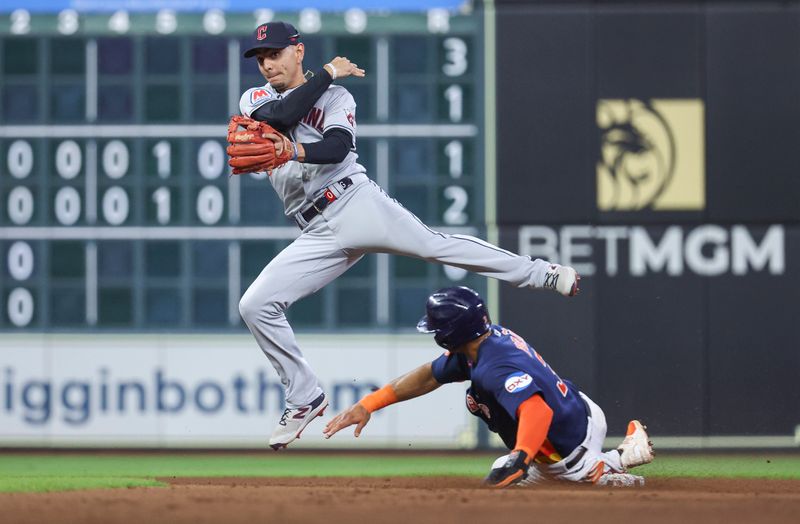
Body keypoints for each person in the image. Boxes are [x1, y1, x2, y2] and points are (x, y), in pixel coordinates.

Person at [234, 22, 581, 450]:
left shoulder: (338, 96)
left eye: (275, 53)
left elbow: (338, 147)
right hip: (315, 231)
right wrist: (327, 71)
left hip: (353, 202)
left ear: (297, 51)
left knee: (437, 245)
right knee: (255, 304)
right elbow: (281, 116)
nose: (267, 63)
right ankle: (304, 395)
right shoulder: (256, 98)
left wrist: (298, 145)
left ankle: (541, 273)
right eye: (261, 57)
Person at [323, 286, 654, 488]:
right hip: (577, 413)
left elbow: (537, 409)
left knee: (512, 458)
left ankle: (598, 469)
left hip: (565, 446)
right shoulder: (479, 345)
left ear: (451, 333)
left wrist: (520, 459)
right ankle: (620, 454)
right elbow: (426, 376)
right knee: (480, 411)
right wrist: (368, 404)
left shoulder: (493, 365)